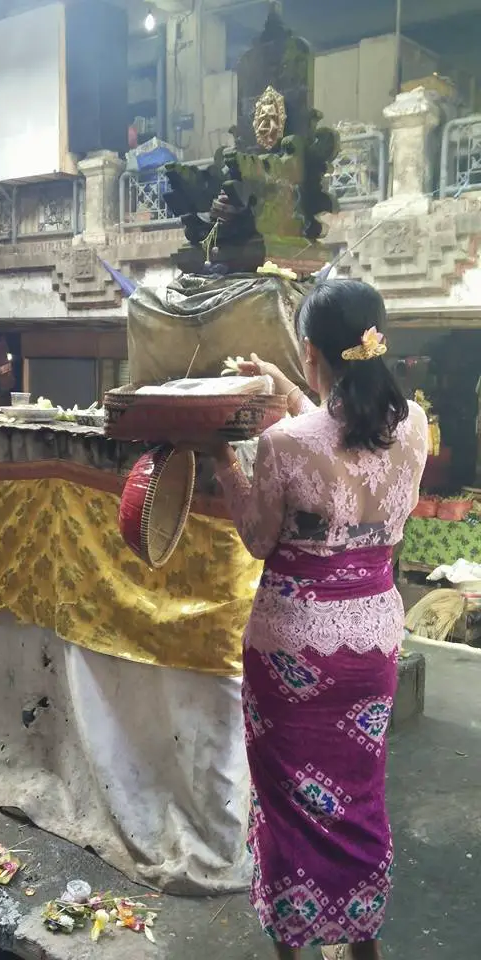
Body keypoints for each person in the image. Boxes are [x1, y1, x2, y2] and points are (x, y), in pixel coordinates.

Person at [207, 280, 427, 960]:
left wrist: (219, 460)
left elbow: (257, 536)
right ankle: (362, 941)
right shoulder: (413, 422)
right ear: (376, 337)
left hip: (291, 655)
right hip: (372, 648)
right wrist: (285, 385)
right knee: (358, 793)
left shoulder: (282, 444)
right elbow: (341, 440)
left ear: (311, 353)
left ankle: (294, 945)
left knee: (289, 807)